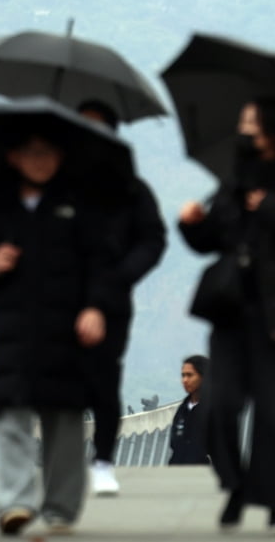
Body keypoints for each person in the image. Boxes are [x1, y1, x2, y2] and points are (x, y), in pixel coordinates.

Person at [179, 100, 275, 535]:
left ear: (273, 128)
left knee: (274, 413)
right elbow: (215, 239)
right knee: (219, 405)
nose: (244, 130)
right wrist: (192, 225)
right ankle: (234, 484)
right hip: (232, 311)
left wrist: (270, 207)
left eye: (251, 123)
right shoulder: (236, 176)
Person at [0, 129, 113, 537]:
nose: (40, 160)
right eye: (31, 151)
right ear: (14, 156)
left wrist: (96, 307)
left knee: (64, 418)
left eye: (48, 152)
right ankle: (16, 503)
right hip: (13, 331)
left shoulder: (76, 205)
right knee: (11, 414)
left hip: (67, 329)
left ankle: (60, 507)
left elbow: (101, 262)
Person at [75, 99, 167, 496]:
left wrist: (121, 277)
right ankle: (59, 466)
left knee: (103, 380)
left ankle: (101, 460)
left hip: (111, 301)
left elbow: (153, 240)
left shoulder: (131, 189)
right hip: (57, 300)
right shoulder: (57, 184)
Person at [168, 355, 209, 466]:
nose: (185, 380)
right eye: (183, 375)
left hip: (202, 475)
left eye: (190, 375)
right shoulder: (182, 410)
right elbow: (174, 443)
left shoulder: (214, 410)